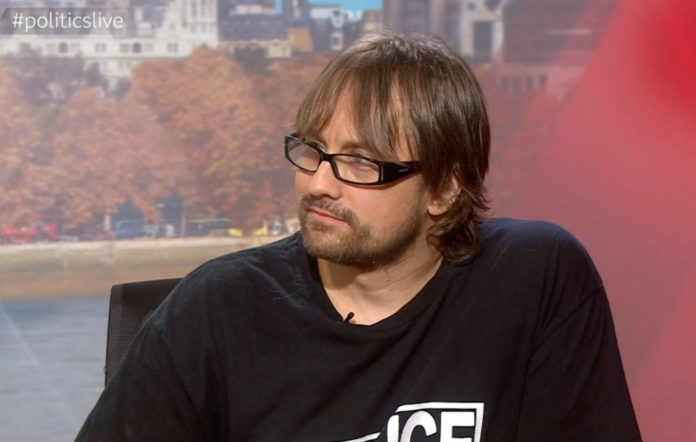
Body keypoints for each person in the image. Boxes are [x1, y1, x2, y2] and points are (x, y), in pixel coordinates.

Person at [76, 32, 642, 441]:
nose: (319, 184)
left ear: (444, 189)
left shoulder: (536, 278)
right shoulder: (215, 309)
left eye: (361, 162)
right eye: (313, 151)